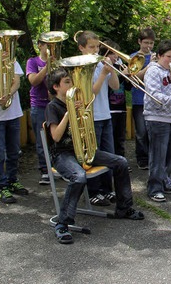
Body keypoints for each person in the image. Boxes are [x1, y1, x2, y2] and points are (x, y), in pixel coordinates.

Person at [45, 68, 144, 244]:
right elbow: (56, 136)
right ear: (56, 87)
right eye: (67, 82)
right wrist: (69, 113)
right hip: (62, 154)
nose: (71, 84)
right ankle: (63, 223)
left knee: (120, 162)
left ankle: (124, 208)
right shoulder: (52, 107)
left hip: (82, 150)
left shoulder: (77, 101)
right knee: (79, 176)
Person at [75, 31, 119, 206]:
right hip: (90, 117)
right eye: (91, 47)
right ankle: (94, 191)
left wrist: (112, 69)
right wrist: (102, 74)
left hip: (105, 114)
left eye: (97, 47)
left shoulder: (101, 64)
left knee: (109, 155)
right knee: (92, 156)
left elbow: (115, 87)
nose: (96, 50)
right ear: (81, 48)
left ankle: (107, 190)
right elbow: (90, 93)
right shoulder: (79, 66)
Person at [0, 36, 28, 203]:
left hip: (13, 113)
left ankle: (12, 180)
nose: (6, 53)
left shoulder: (13, 63)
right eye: (2, 50)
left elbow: (16, 82)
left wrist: (9, 93)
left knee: (14, 151)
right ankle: (0, 186)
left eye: (8, 50)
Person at [143, 40, 171, 202]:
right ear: (159, 55)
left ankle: (165, 180)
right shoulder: (153, 71)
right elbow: (154, 95)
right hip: (156, 117)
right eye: (168, 57)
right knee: (158, 155)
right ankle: (154, 187)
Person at [27, 38, 52, 185]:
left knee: (56, 138)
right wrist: (47, 66)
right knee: (42, 139)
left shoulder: (57, 61)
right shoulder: (33, 62)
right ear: (40, 46)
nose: (50, 48)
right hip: (39, 105)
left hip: (54, 104)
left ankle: (57, 167)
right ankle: (44, 169)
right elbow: (34, 81)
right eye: (48, 45)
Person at [130, 28, 156, 171]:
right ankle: (142, 158)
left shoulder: (156, 56)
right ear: (139, 41)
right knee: (141, 131)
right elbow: (134, 77)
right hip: (139, 99)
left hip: (153, 99)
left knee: (152, 130)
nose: (149, 46)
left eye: (151, 43)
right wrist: (149, 67)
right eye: (146, 42)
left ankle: (153, 157)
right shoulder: (133, 57)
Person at [101, 40, 131, 158]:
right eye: (112, 53)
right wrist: (122, 75)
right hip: (109, 108)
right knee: (110, 138)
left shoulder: (120, 66)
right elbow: (110, 86)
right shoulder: (104, 68)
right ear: (105, 55)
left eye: (117, 53)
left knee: (120, 138)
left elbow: (127, 88)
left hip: (121, 108)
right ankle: (112, 161)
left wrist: (129, 77)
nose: (116, 56)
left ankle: (121, 160)